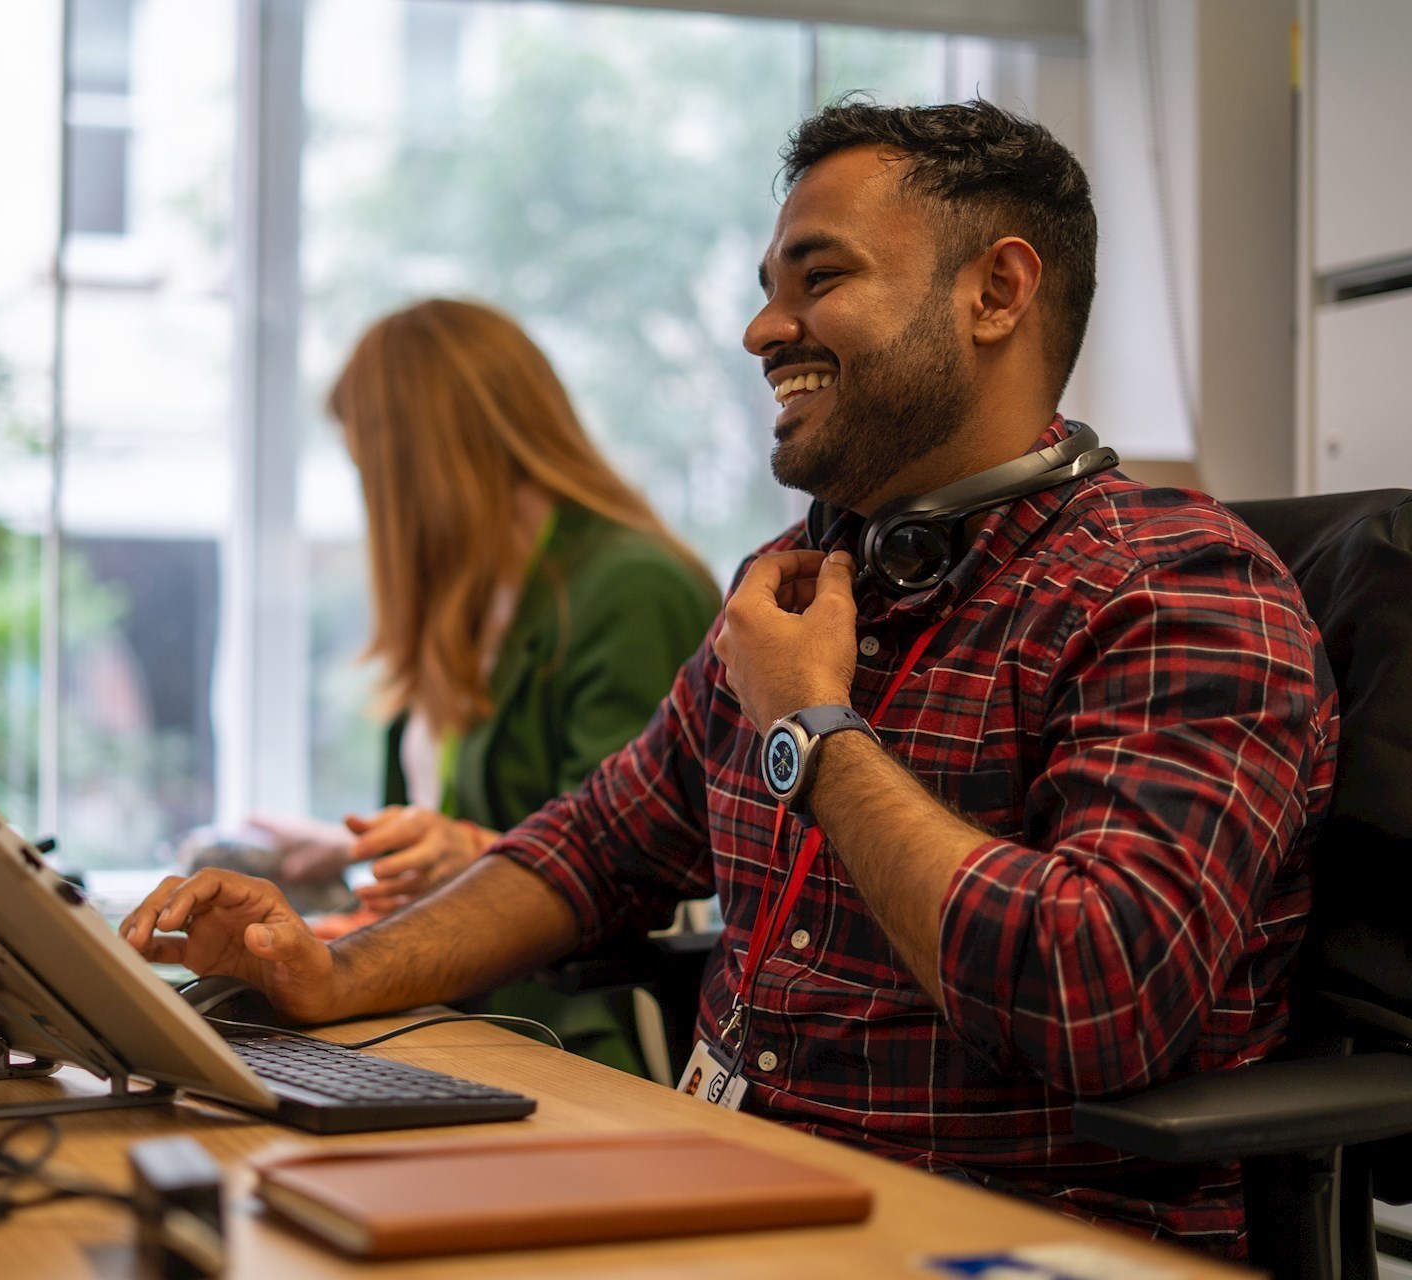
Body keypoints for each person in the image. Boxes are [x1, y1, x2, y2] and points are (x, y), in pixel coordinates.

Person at [121, 101, 1336, 1257]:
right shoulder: (799, 580)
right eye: (767, 292)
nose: (764, 330)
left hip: (1001, 1238)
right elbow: (595, 849)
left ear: (996, 291)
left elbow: (1097, 993)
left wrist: (812, 727)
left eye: (822, 278)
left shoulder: (1179, 593)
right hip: (729, 1190)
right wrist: (334, 972)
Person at [248, 298, 719, 920]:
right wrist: (357, 849)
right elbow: (462, 823)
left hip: (560, 1011)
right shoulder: (478, 593)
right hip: (459, 983)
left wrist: (465, 856)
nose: (375, 503)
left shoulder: (633, 589)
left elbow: (632, 862)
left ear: (425, 461)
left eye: (372, 470)